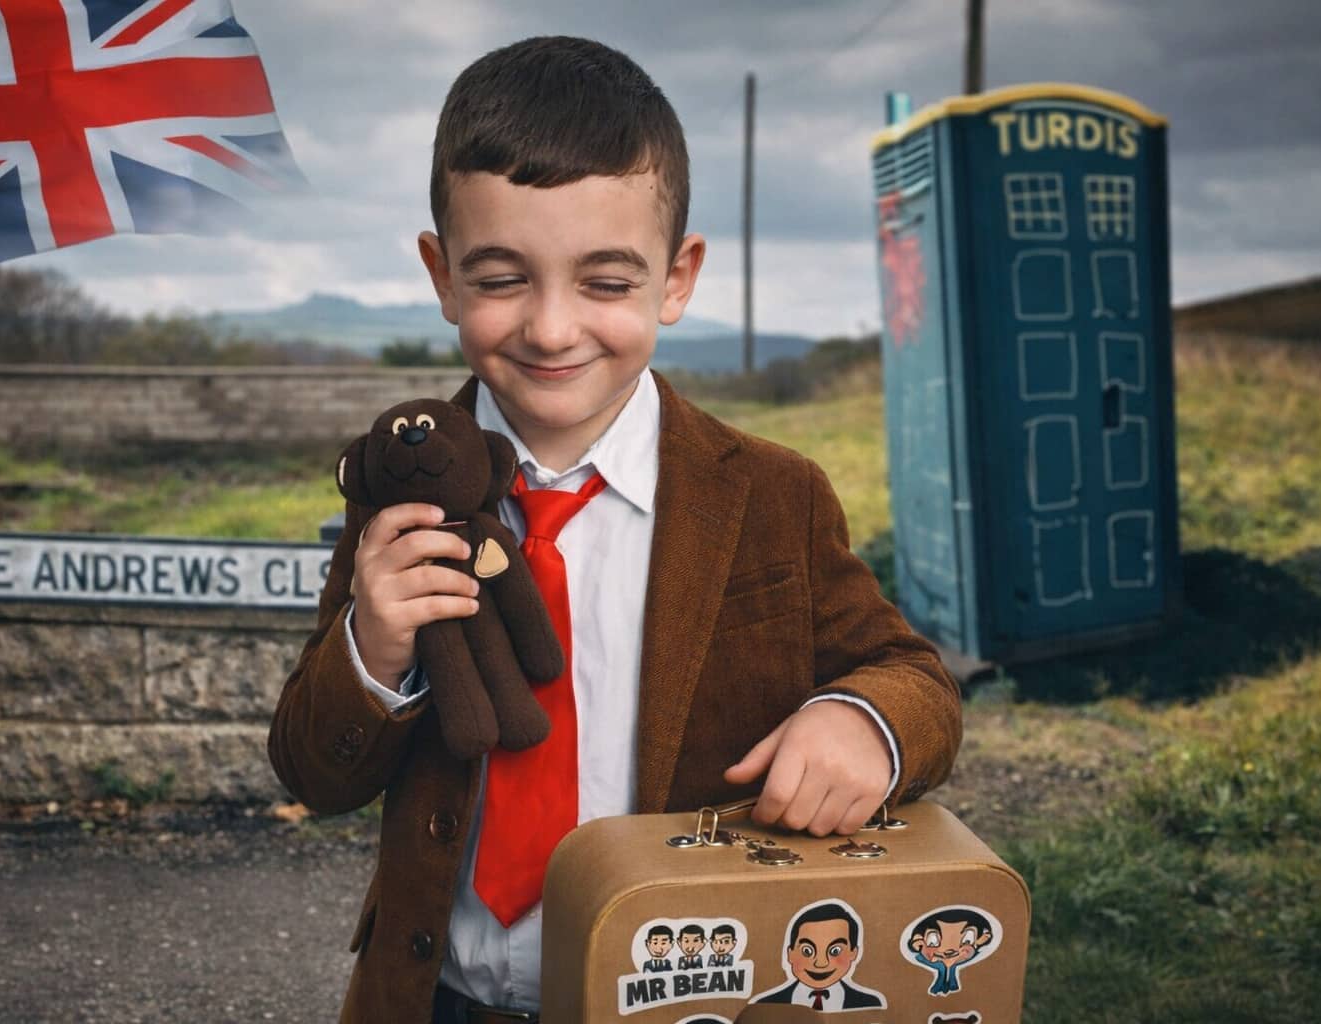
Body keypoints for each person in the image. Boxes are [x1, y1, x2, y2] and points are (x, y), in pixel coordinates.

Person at [267, 35, 961, 1024]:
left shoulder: (774, 496)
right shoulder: (398, 486)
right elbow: (312, 769)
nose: (553, 329)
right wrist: (373, 649)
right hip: (439, 999)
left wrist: (866, 720)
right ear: (442, 274)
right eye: (501, 279)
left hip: (681, 1001)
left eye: (605, 282)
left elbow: (915, 677)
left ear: (677, 278)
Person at [752, 902, 885, 1010]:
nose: (821, 963)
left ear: (853, 953)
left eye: (835, 951)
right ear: (790, 953)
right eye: (807, 951)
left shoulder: (869, 1005)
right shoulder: (764, 1006)